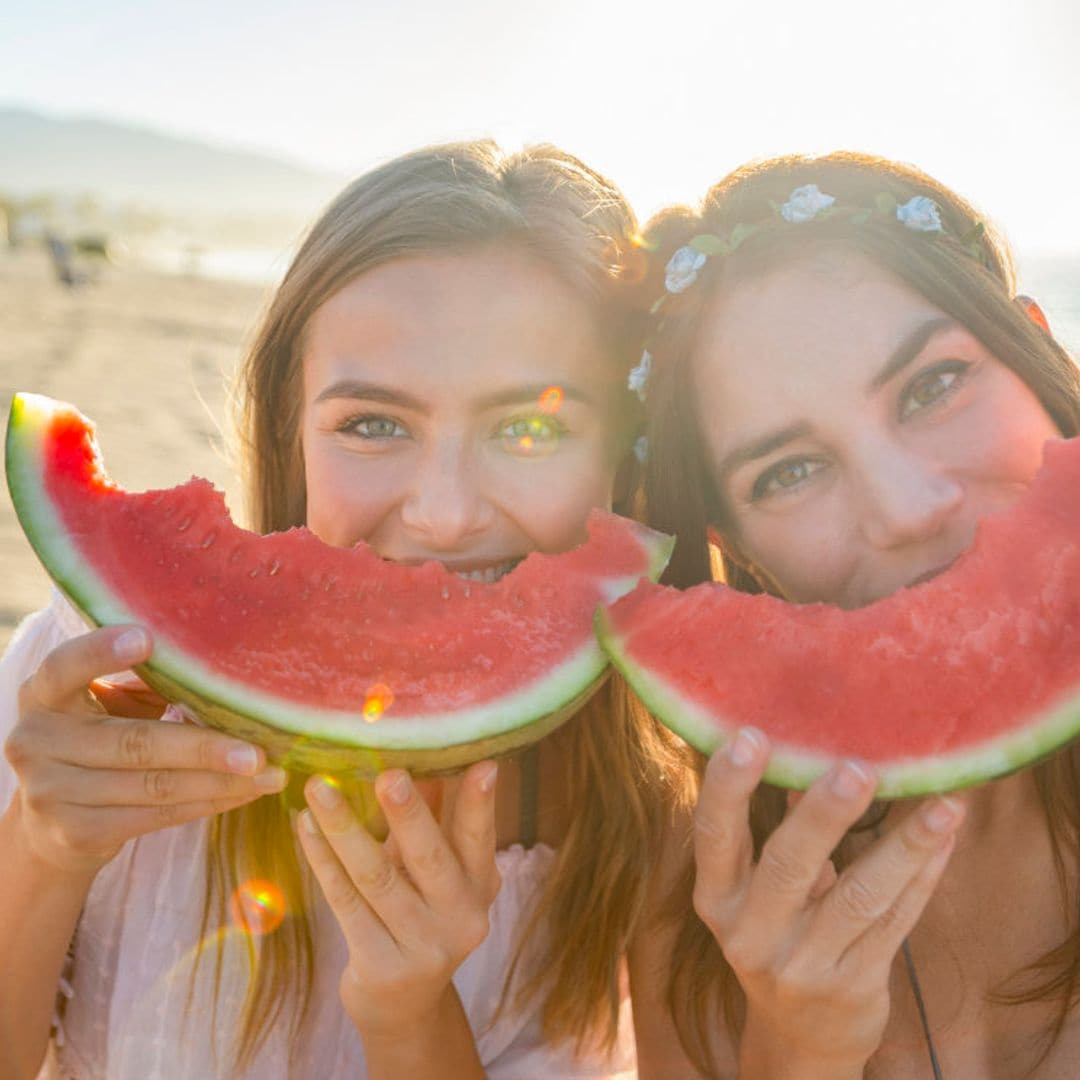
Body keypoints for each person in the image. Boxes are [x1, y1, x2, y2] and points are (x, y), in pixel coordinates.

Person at [0, 140, 690, 1079]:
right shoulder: (99, 675)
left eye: (529, 427)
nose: (443, 513)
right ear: (292, 426)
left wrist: (409, 1015)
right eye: (373, 424)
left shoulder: (655, 808)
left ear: (623, 453)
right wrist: (39, 851)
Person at [627, 152, 1080, 1077]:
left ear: (1035, 351)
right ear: (733, 543)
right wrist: (792, 1052)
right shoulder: (699, 897)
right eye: (788, 471)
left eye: (932, 385)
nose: (907, 505)